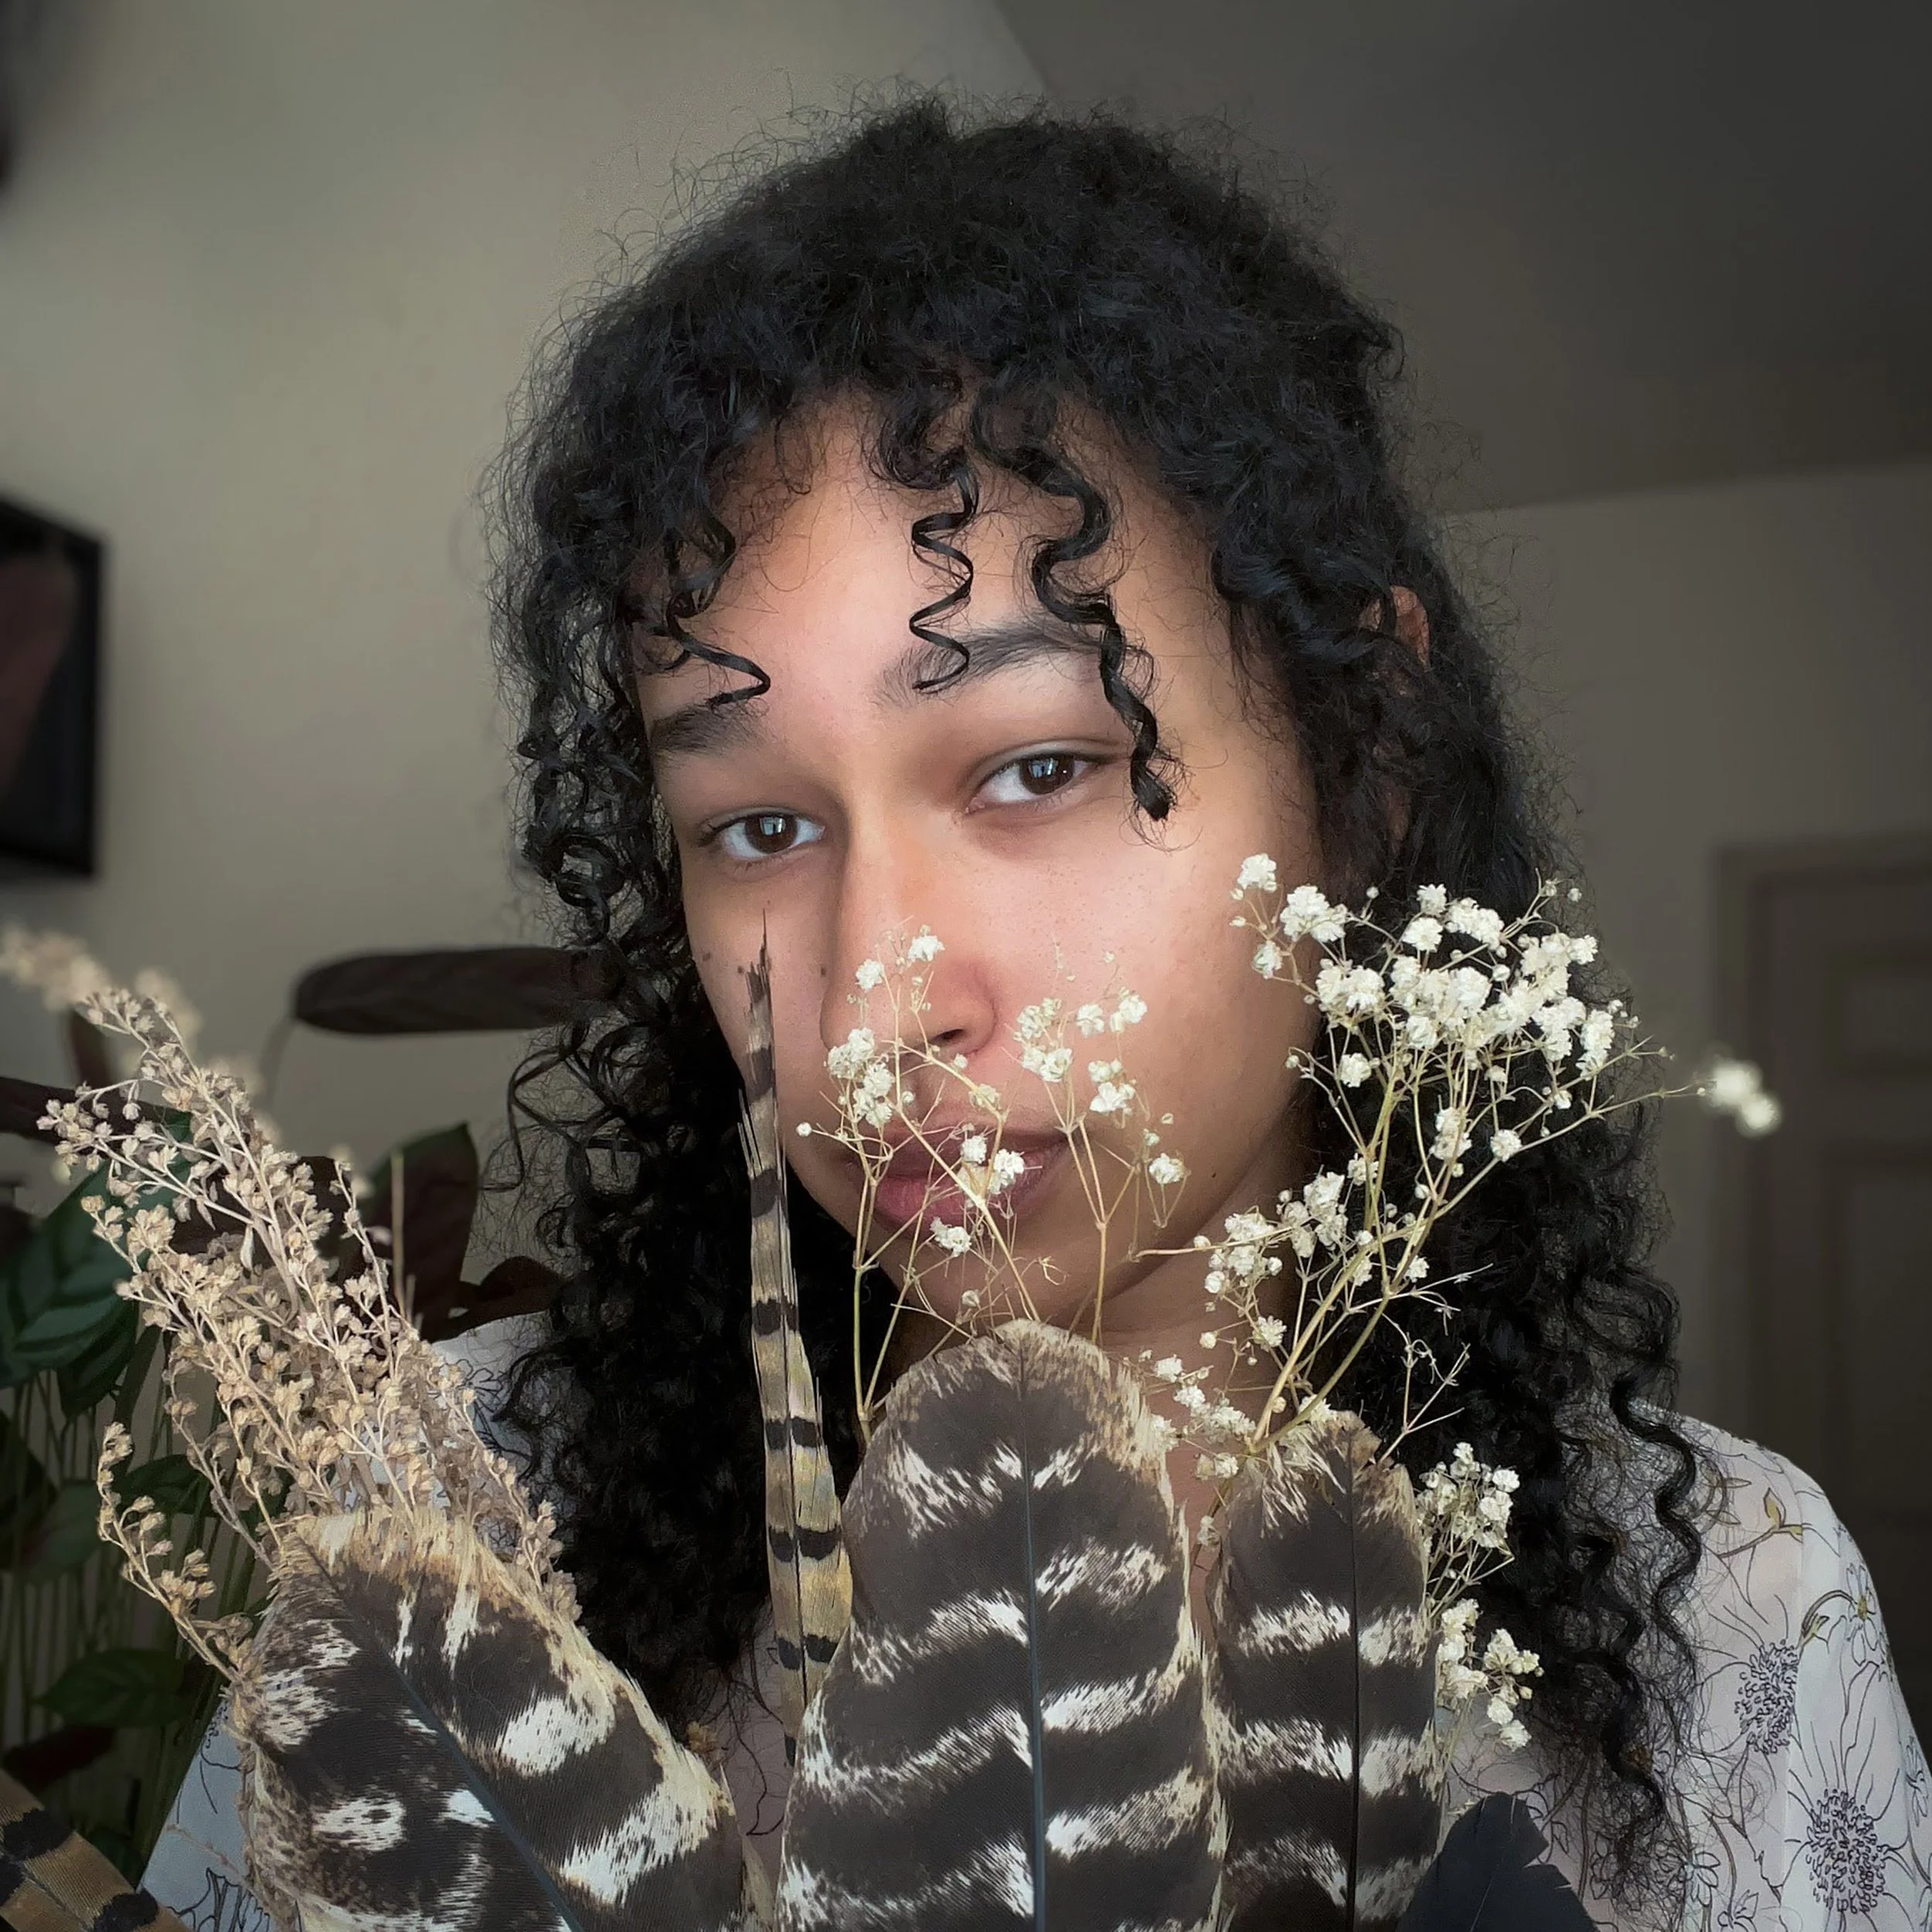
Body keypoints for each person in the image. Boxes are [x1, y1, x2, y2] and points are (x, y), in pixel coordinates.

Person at [142, 95, 1923, 1930]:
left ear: (1363, 761)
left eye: (1037, 767)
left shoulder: (1725, 1608)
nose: (868, 1009)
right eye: (756, 824)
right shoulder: (459, 1515)